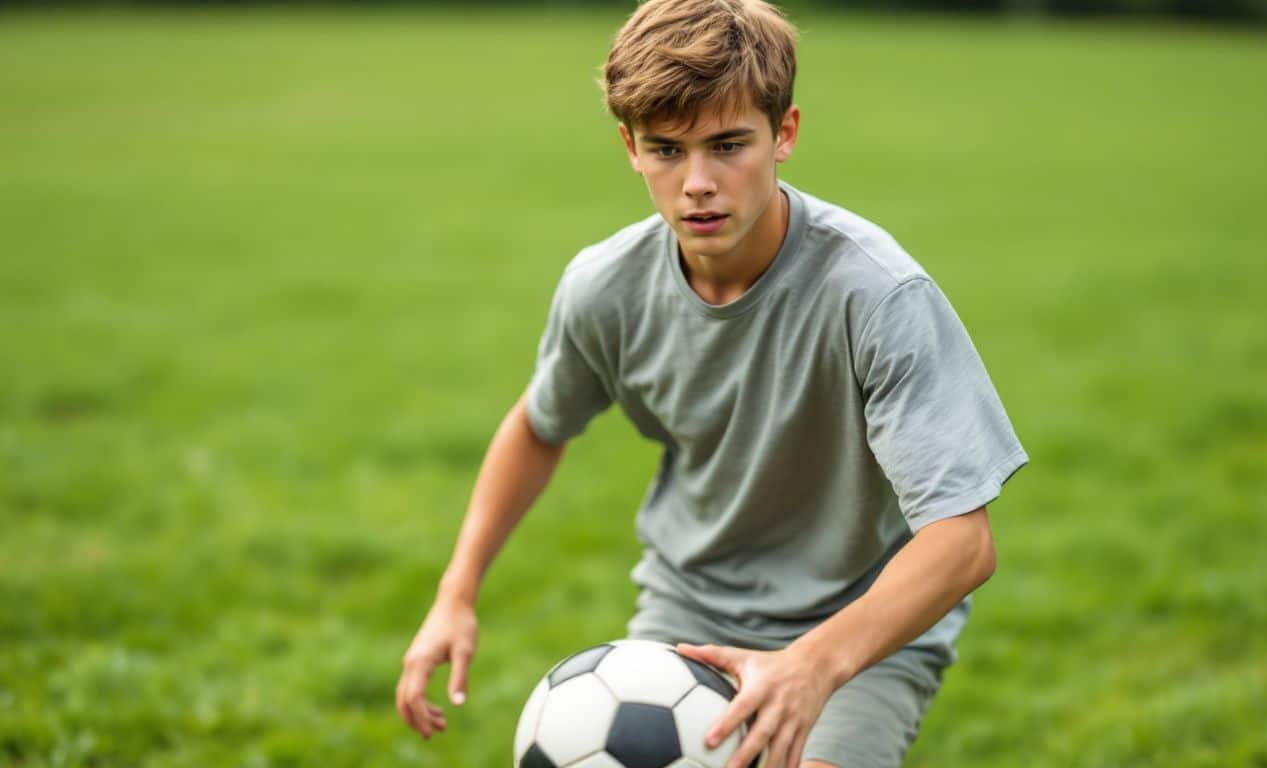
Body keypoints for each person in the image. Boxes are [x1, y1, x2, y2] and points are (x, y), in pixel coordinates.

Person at [396, 1, 1027, 765]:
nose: (697, 183)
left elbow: (963, 542)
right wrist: (455, 593)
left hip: (862, 617)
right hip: (689, 604)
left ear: (784, 133)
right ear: (629, 146)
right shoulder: (606, 288)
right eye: (667, 149)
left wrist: (813, 665)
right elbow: (539, 425)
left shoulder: (877, 295)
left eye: (729, 145)